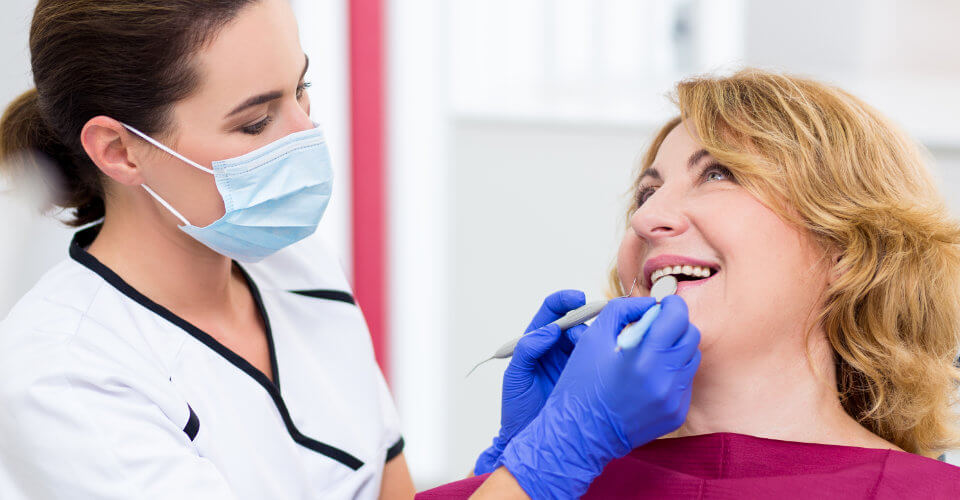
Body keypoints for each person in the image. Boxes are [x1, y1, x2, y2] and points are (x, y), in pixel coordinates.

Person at [0, 1, 701, 498]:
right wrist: (553, 460)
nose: (306, 134)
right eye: (254, 122)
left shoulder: (298, 268)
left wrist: (503, 465)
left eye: (301, 88)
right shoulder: (62, 376)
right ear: (119, 150)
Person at [419, 70, 960, 498]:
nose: (647, 219)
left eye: (718, 173)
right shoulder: (537, 481)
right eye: (645, 193)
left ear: (846, 250)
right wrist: (525, 464)